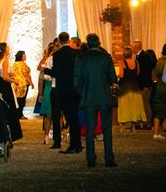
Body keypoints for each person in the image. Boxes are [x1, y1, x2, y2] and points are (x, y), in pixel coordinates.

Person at [73, 34, 118, 168]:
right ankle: (109, 158)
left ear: (87, 44)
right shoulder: (106, 57)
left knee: (90, 129)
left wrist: (83, 93)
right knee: (107, 129)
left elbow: (76, 80)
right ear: (98, 43)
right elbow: (113, 78)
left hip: (89, 97)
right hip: (104, 96)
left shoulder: (81, 59)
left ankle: (91, 159)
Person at [44, 32, 81, 153]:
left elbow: (56, 73)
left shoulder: (57, 55)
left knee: (56, 115)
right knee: (73, 117)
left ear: (59, 41)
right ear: (69, 40)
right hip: (74, 89)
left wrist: (46, 70)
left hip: (60, 89)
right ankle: (77, 143)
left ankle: (57, 142)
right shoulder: (76, 53)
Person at [0, 43, 23, 141]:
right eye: (8, 47)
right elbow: (5, 77)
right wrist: (15, 81)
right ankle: (13, 135)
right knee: (10, 110)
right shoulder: (5, 61)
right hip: (5, 88)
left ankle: (0, 133)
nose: (9, 48)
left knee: (1, 111)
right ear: (5, 50)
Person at [117, 46, 147, 131]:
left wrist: (117, 75)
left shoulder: (121, 62)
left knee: (124, 105)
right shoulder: (136, 62)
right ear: (131, 54)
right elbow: (138, 73)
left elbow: (122, 75)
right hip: (134, 86)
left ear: (124, 54)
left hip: (124, 86)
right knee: (134, 105)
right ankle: (133, 125)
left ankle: (121, 125)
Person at [132, 40, 157, 130]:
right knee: (142, 104)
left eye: (132, 46)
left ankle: (148, 123)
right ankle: (143, 122)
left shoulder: (144, 56)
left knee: (145, 104)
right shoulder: (140, 55)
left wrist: (145, 86)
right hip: (141, 85)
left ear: (136, 47)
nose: (131, 48)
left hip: (145, 85)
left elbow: (146, 72)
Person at [12, 50, 34, 119]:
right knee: (22, 100)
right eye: (24, 55)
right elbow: (26, 74)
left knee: (17, 100)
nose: (25, 56)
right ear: (21, 56)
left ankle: (16, 113)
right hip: (23, 84)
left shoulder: (15, 63)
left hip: (16, 83)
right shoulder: (23, 64)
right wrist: (31, 83)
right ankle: (20, 114)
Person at [151, 44, 166, 140]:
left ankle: (156, 131)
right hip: (163, 86)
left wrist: (156, 81)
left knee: (158, 109)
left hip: (160, 87)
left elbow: (154, 74)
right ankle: (161, 129)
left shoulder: (160, 61)